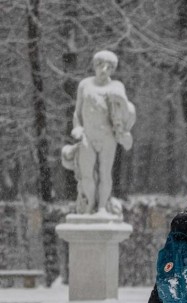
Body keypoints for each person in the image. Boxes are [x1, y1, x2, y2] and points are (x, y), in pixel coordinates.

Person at [62, 50, 136, 214]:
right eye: (101, 65)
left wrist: (121, 100)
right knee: (86, 173)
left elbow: (126, 112)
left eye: (109, 67)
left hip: (107, 136)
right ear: (95, 66)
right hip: (87, 135)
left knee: (105, 173)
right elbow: (77, 112)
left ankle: (102, 207)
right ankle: (89, 206)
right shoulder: (85, 85)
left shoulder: (117, 86)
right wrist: (77, 127)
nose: (104, 70)